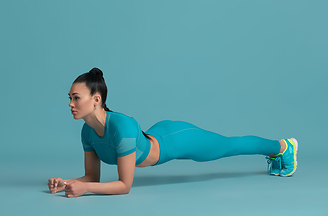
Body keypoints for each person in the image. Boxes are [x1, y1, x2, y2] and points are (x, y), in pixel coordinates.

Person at [48, 67, 298, 198]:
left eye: (76, 98)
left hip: (176, 140)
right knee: (228, 146)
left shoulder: (120, 127)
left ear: (96, 99)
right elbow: (92, 176)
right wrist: (67, 183)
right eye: (69, 98)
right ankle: (280, 150)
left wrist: (86, 189)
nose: (70, 103)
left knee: (229, 146)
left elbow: (125, 185)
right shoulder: (87, 132)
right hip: (159, 133)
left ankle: (283, 147)